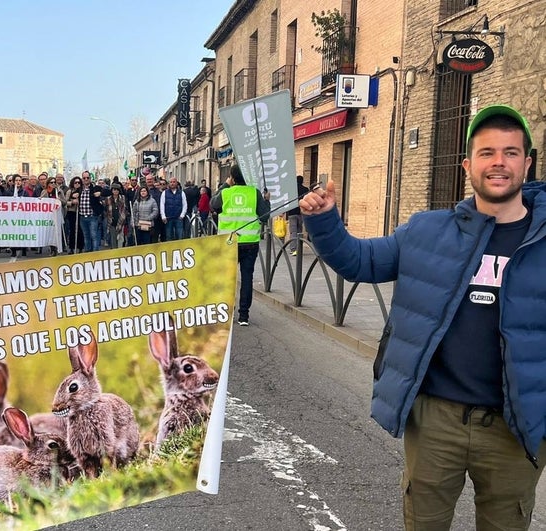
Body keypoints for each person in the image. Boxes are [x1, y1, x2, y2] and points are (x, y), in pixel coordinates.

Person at [299, 104, 546, 529]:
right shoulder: (426, 230)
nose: (499, 163)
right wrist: (324, 223)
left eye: (510, 152)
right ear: (468, 164)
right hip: (436, 421)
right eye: (487, 153)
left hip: (516, 426)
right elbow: (361, 262)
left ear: (527, 161)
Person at [210, 164, 270, 326]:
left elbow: (212, 204)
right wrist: (267, 201)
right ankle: (244, 316)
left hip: (228, 242)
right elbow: (264, 217)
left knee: (227, 279)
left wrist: (225, 185)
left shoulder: (226, 193)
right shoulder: (254, 193)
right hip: (250, 243)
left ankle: (227, 313)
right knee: (247, 278)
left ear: (232, 178)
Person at [285, 175, 310, 255]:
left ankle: (293, 249)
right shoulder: (306, 189)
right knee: (299, 231)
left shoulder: (291, 190)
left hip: (292, 213)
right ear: (302, 181)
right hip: (301, 213)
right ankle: (299, 249)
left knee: (293, 232)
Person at [160, 176, 187, 241]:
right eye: (171, 182)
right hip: (168, 218)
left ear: (177, 183)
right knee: (169, 236)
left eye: (174, 182)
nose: (172, 183)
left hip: (178, 218)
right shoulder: (164, 193)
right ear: (169, 183)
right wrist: (163, 216)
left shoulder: (182, 193)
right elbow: (162, 205)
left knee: (180, 236)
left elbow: (185, 204)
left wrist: (182, 215)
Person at [64, 176, 85, 254]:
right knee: (72, 230)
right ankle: (72, 247)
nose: (77, 184)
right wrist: (72, 202)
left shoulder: (83, 191)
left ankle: (80, 247)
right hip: (72, 212)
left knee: (80, 230)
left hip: (80, 212)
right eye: (75, 182)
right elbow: (65, 203)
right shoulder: (69, 191)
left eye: (78, 182)